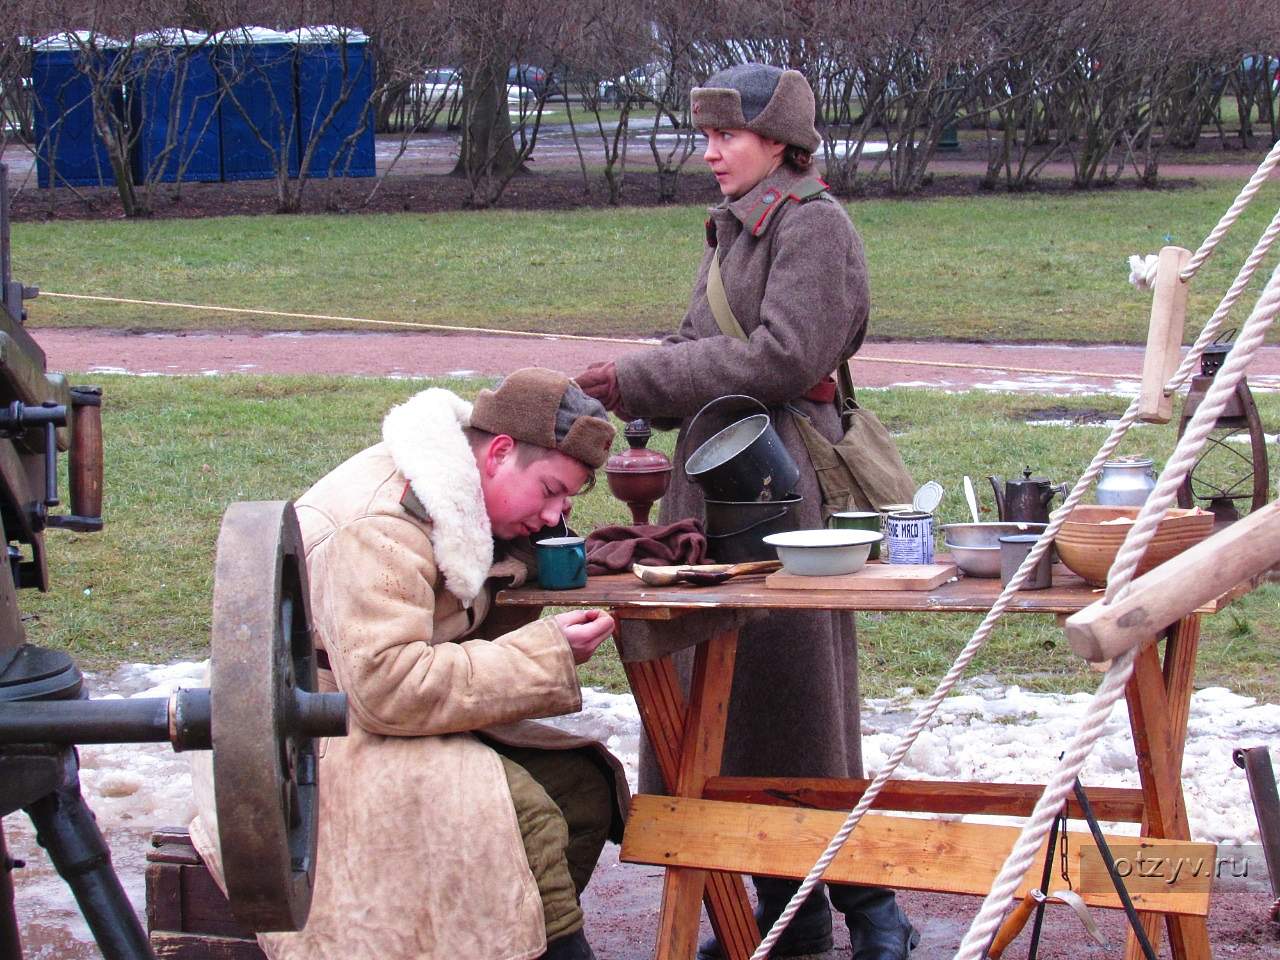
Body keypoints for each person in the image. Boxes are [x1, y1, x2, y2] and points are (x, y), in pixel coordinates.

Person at [575, 64, 919, 959]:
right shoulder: (739, 221)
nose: (711, 152)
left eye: (727, 135)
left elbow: (782, 358)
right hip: (716, 478)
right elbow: (703, 343)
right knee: (721, 713)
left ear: (779, 142)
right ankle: (786, 922)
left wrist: (645, 376)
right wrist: (623, 381)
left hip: (780, 483)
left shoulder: (815, 225)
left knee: (792, 715)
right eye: (708, 135)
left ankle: (874, 912)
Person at [190, 367, 628, 960]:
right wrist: (546, 653)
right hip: (310, 735)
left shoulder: (455, 494)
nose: (555, 516)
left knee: (581, 789)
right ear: (500, 452)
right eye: (549, 491)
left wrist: (524, 559)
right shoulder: (380, 525)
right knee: (519, 813)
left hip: (362, 709)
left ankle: (498, 940)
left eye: (566, 502)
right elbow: (389, 689)